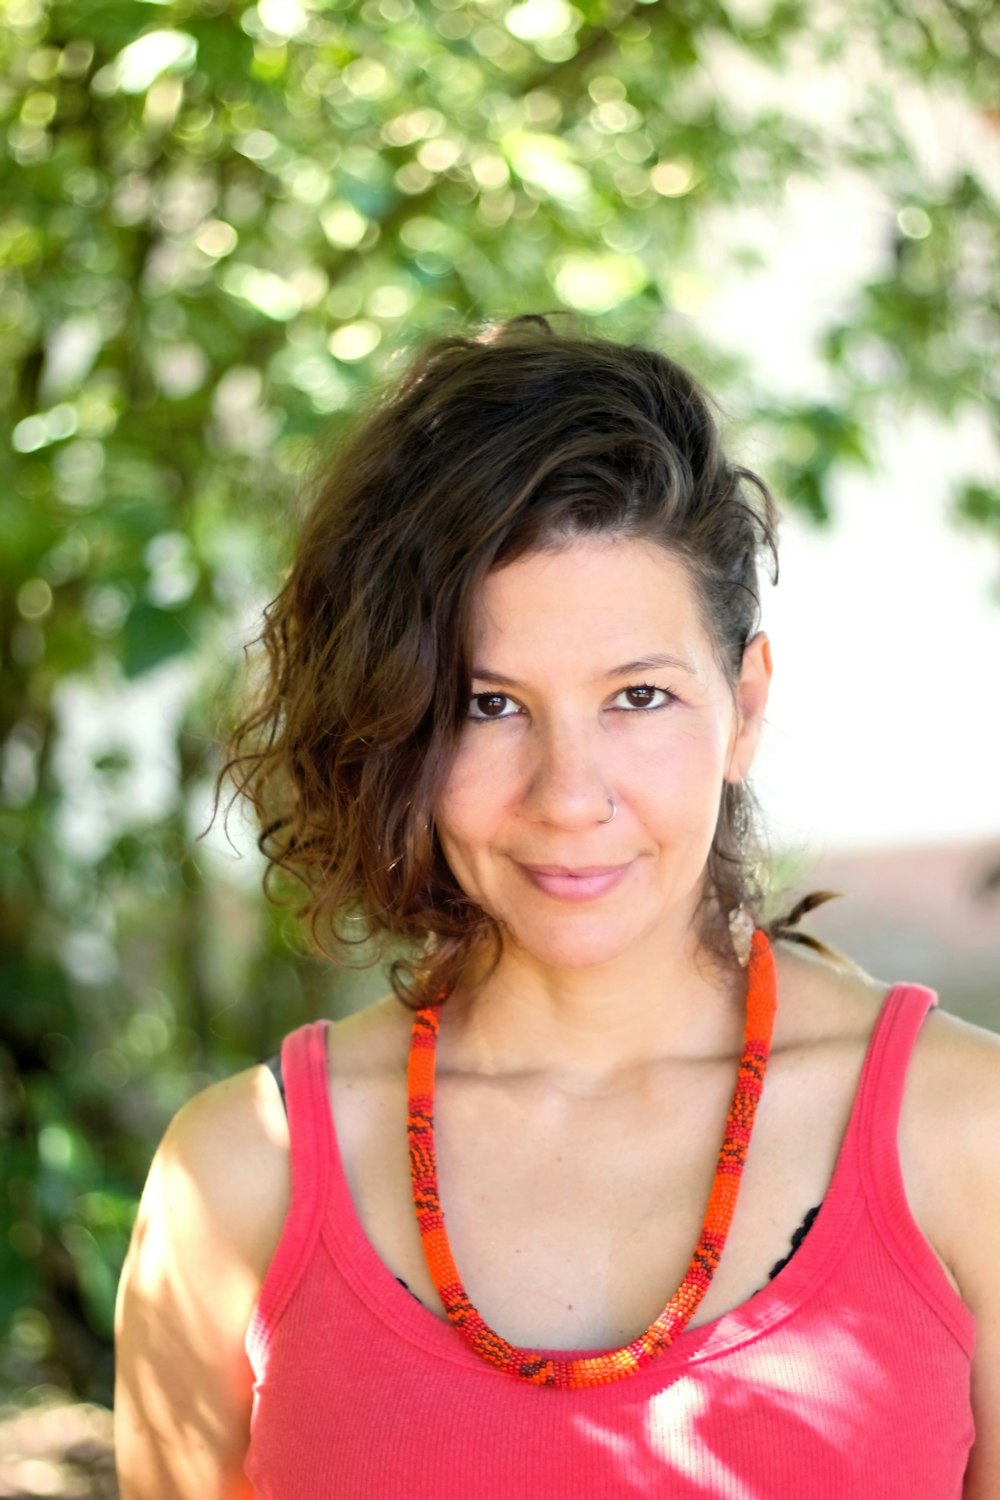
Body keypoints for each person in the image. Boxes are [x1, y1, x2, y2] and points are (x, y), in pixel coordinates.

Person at [114, 317, 1000, 1498]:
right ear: (396, 726)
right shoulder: (239, 1179)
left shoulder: (964, 1142)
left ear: (744, 706)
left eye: (638, 695)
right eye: (486, 706)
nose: (568, 797)